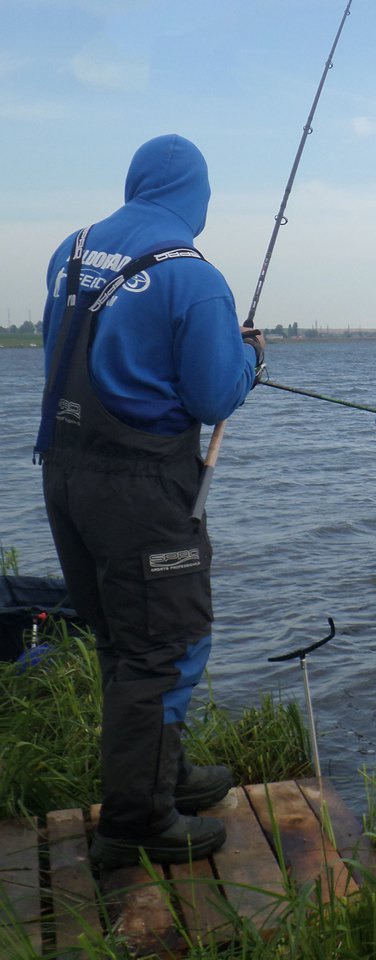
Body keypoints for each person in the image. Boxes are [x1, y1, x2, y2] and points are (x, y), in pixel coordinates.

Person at [34, 134, 264, 869]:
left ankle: (162, 773)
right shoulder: (193, 276)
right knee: (166, 649)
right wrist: (251, 355)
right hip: (142, 489)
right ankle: (138, 820)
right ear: (196, 195)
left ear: (136, 182)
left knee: (120, 640)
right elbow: (213, 393)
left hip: (65, 474)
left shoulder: (71, 251)